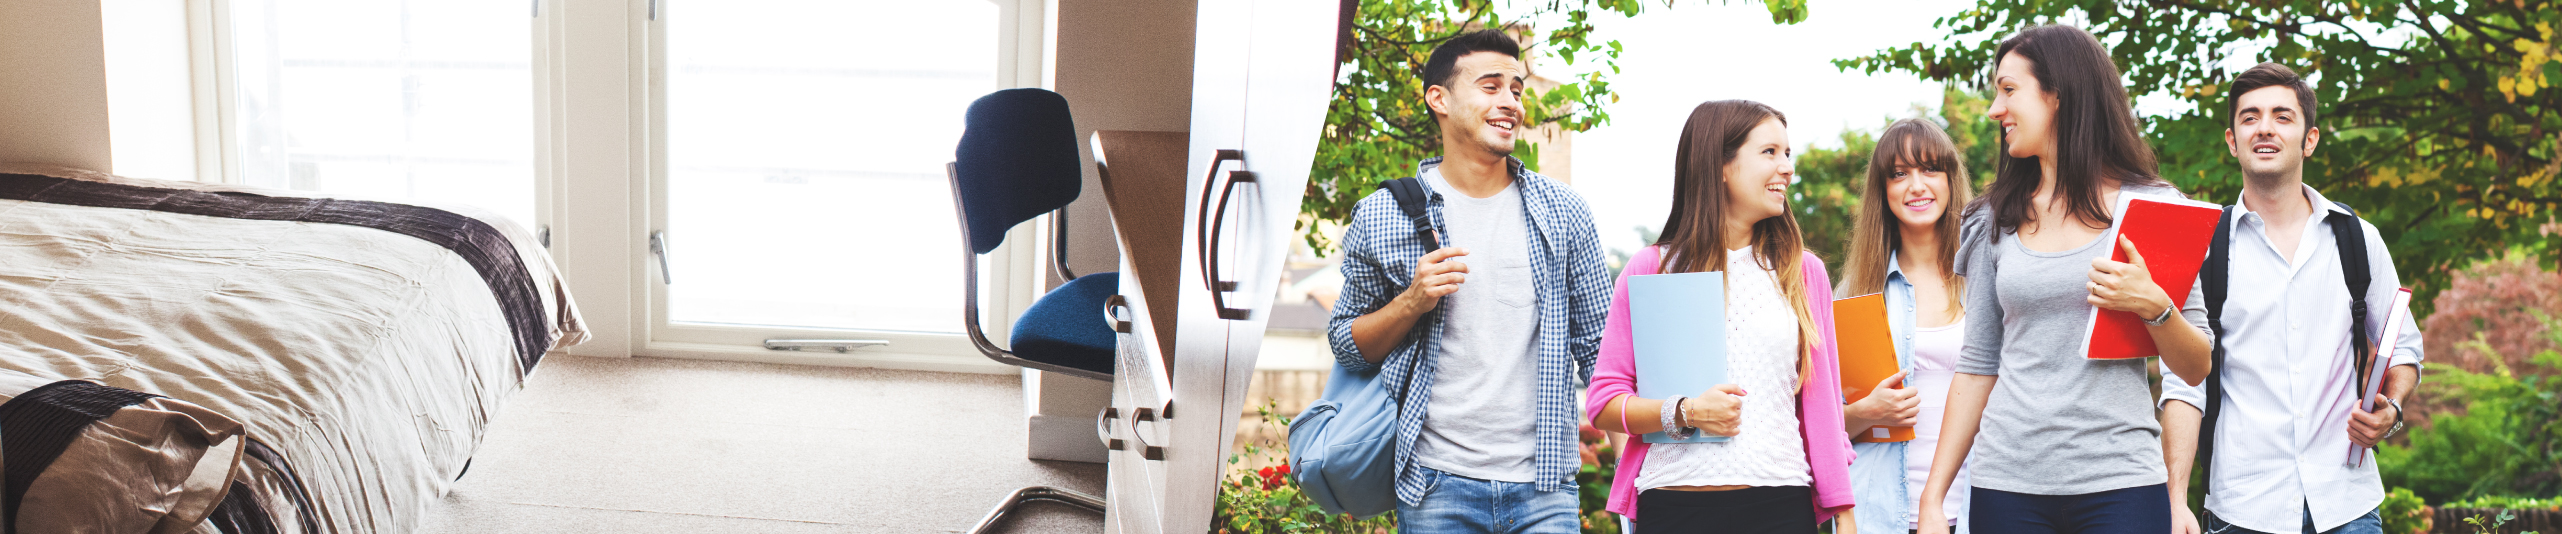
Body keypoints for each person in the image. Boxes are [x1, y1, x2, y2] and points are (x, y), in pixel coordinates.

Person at [1915, 24, 2216, 534]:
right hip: (2006, 484)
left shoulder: (2154, 208)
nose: (1994, 110)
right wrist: (1933, 498)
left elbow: (2194, 366)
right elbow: (1979, 361)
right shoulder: (1994, 217)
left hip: (2121, 483)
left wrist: (2153, 306)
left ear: (2058, 94)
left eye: (2009, 90)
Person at [1325, 29, 1611, 534]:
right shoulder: (1383, 214)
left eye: (1517, 90)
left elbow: (1602, 354)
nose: (1511, 103)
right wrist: (1411, 301)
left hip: (1544, 488)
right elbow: (1347, 345)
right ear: (1439, 98)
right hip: (1437, 486)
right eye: (1491, 86)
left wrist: (1643, 476)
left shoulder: (1564, 211)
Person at [2157, 62, 2425, 534]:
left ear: (2310, 138)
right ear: (2231, 139)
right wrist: (2175, 498)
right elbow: (2184, 383)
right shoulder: (2203, 249)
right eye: (2249, 117)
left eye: (2283, 116)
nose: (2265, 128)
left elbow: (2401, 347)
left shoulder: (2359, 240)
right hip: (2242, 508)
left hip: (2347, 503)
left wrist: (2393, 407)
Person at [1583, 99, 1856, 534]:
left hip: (1782, 505)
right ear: (1720, 167)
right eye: (1769, 152)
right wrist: (1685, 412)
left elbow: (1822, 408)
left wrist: (1844, 510)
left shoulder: (1803, 272)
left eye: (1788, 154)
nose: (1786, 167)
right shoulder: (1651, 268)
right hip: (1673, 506)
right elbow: (1604, 403)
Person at [1835, 118, 1980, 534]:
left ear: (1951, 180)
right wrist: (1865, 412)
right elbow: (1823, 425)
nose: (1916, 185)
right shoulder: (1853, 292)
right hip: (1879, 514)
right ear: (1883, 190)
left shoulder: (1986, 278)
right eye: (1899, 174)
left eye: (1930, 169)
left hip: (1981, 506)